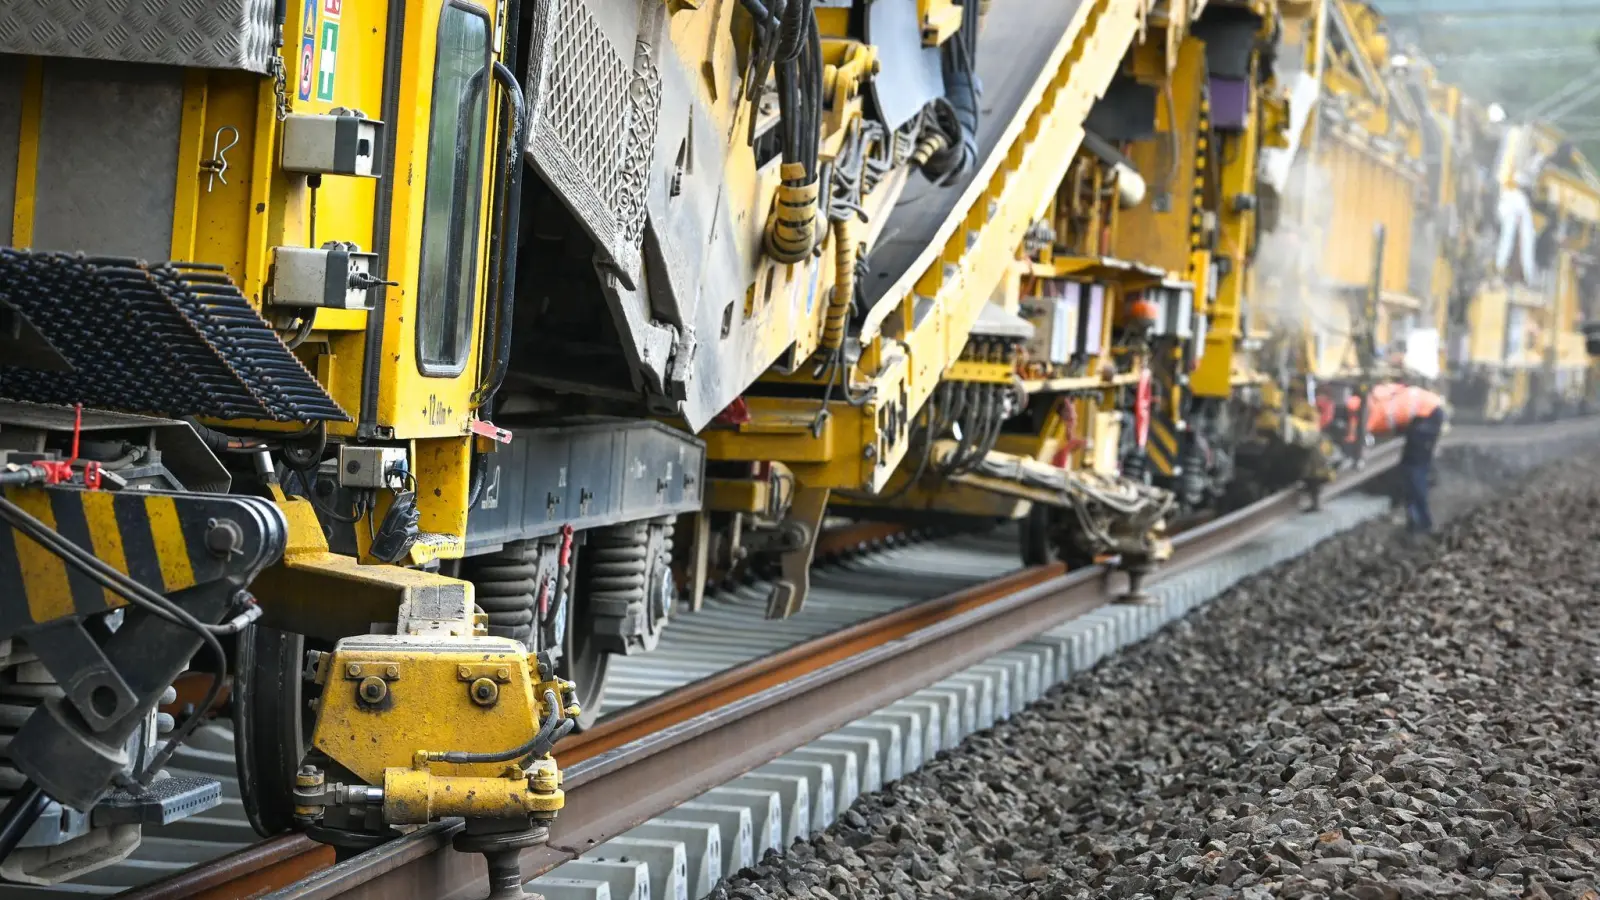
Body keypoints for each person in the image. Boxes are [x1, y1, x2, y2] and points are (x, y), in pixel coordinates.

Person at [1398, 387, 1446, 534]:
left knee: (1414, 472)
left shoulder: (1373, 406)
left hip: (1426, 420)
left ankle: (1422, 523)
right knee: (1413, 471)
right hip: (1428, 417)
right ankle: (1417, 520)